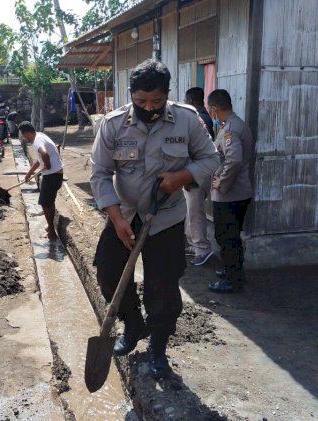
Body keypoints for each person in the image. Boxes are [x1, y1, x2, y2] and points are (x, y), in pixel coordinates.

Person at [90, 59, 217, 378]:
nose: (149, 107)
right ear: (131, 95)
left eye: (157, 101)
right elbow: (100, 173)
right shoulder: (113, 124)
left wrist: (182, 176)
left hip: (166, 219)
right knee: (108, 273)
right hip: (125, 216)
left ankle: (158, 349)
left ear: (167, 94)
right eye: (141, 101)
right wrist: (116, 217)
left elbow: (211, 158)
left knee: (163, 288)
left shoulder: (187, 121)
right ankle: (134, 326)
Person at [207, 89, 254, 294]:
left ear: (214, 109)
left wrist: (221, 183)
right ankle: (232, 271)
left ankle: (233, 280)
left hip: (230, 195)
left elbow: (233, 160)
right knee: (230, 236)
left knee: (227, 237)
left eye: (211, 110)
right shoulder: (234, 125)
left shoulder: (230, 130)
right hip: (237, 193)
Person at [183, 87, 215, 266]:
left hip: (197, 174)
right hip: (197, 172)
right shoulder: (202, 117)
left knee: (195, 212)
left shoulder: (199, 119)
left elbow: (197, 152)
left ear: (189, 101)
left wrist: (190, 176)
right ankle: (194, 244)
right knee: (191, 210)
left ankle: (202, 248)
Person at [20, 121, 64, 241]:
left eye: (24, 136)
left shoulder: (37, 141)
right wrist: (29, 173)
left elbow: (44, 154)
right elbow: (40, 160)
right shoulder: (40, 136)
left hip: (51, 175)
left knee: (45, 203)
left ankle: (51, 231)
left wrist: (48, 164)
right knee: (49, 201)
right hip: (57, 174)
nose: (24, 138)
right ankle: (51, 227)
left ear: (27, 133)